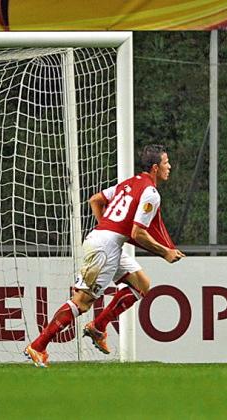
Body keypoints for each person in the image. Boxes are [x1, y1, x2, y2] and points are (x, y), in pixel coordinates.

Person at [24, 144, 186, 367]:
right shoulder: (151, 193)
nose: (170, 166)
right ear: (156, 168)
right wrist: (165, 252)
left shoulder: (129, 183)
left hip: (107, 241)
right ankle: (38, 346)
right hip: (105, 246)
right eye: (167, 163)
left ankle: (98, 326)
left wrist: (107, 228)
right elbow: (137, 233)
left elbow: (95, 200)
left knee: (142, 284)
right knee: (82, 303)